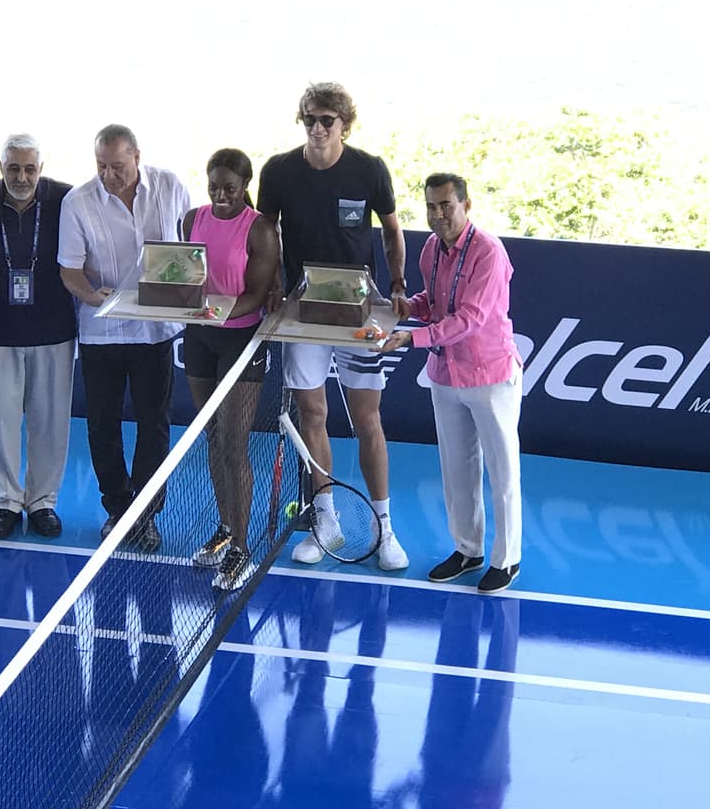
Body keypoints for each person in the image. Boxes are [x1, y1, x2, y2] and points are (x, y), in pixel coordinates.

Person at [257, 82, 410, 571]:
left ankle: (383, 528)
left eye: (327, 120)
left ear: (345, 123)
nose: (318, 128)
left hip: (358, 314)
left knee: (368, 420)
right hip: (303, 313)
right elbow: (266, 230)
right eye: (310, 120)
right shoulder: (279, 171)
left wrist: (400, 283)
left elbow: (391, 229)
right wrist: (274, 282)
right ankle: (326, 522)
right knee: (312, 415)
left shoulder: (368, 170)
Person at [381, 172, 523, 592]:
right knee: (456, 470)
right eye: (431, 206)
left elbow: (471, 318)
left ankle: (507, 558)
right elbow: (437, 303)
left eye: (446, 205)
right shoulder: (430, 249)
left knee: (502, 473)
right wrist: (405, 307)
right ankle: (468, 549)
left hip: (489, 376)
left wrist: (412, 337)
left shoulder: (489, 253)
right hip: (445, 375)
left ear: (466, 205)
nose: (438, 214)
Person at [58, 124, 191, 550]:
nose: (109, 175)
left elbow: (189, 250)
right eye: (101, 167)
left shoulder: (171, 187)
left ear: (137, 155)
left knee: (154, 425)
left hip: (156, 332)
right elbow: (69, 271)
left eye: (117, 166)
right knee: (103, 425)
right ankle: (117, 509)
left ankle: (146, 515)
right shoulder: (77, 202)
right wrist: (91, 295)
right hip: (102, 333)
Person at [0, 134, 77, 540]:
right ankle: (7, 503)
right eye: (13, 168)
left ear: (41, 169)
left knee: (50, 423)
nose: (22, 176)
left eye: (30, 168)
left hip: (54, 331)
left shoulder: (66, 200)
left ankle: (42, 501)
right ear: (1, 168)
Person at [180, 148, 280, 590]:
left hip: (241, 338)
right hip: (200, 338)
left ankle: (242, 550)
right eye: (214, 187)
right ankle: (225, 530)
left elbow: (257, 293)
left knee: (235, 445)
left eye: (230, 189)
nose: (221, 195)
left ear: (245, 188)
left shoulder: (259, 229)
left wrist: (217, 314)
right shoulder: (191, 220)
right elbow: (183, 275)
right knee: (214, 437)